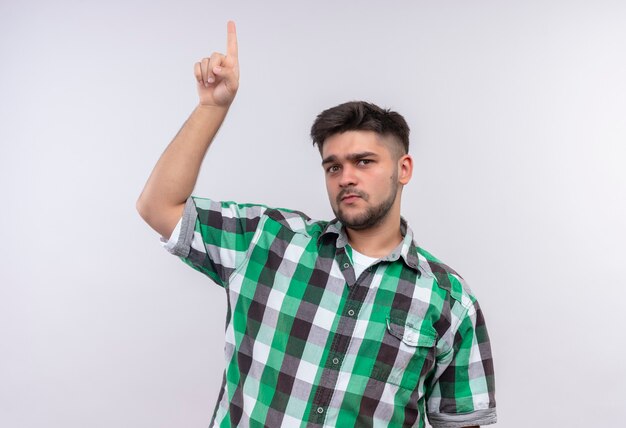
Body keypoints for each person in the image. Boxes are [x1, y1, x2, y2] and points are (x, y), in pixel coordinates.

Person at [137, 21, 497, 428]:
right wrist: (211, 108)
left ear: (404, 169)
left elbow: (461, 423)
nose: (346, 177)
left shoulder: (448, 299)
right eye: (333, 166)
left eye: (364, 162)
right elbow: (158, 206)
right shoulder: (268, 240)